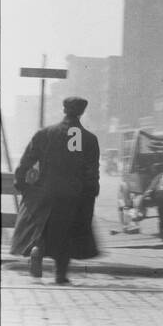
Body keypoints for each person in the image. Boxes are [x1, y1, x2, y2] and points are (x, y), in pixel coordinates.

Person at [10, 96, 101, 283]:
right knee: (66, 233)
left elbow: (26, 161)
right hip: (73, 195)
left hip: (46, 192)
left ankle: (38, 250)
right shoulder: (90, 139)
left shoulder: (45, 134)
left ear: (64, 110)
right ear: (82, 112)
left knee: (43, 226)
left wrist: (21, 183)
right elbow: (92, 172)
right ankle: (60, 275)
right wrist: (91, 192)